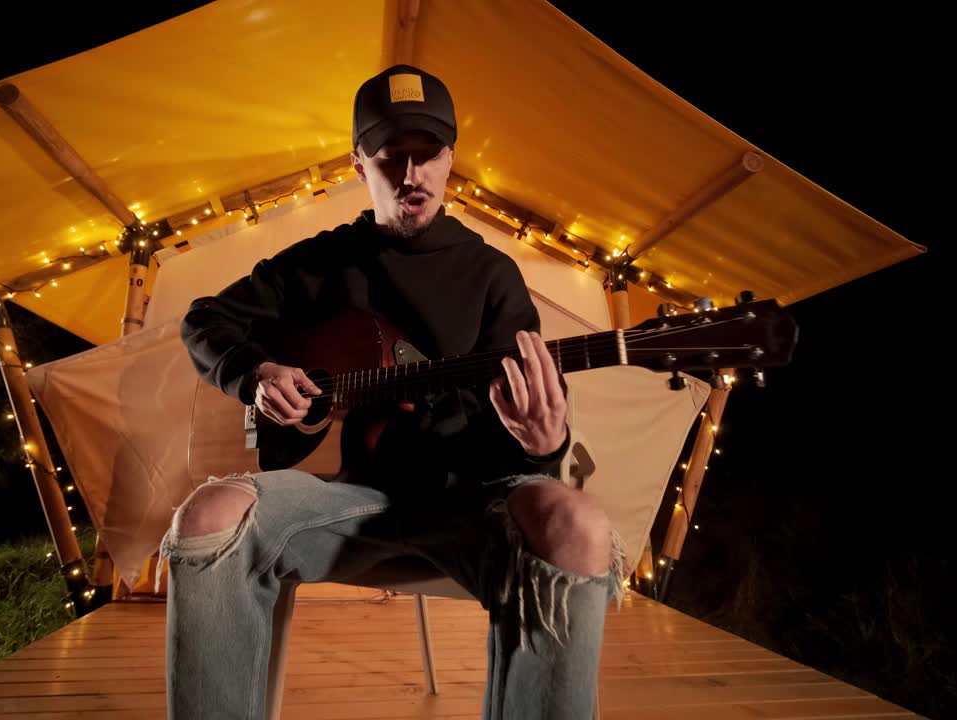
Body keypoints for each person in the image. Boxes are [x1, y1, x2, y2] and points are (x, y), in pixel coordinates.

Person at [160, 64, 626, 719]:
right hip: (342, 499)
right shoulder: (319, 263)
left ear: (450, 158)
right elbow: (204, 320)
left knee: (579, 523)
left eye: (428, 153)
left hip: (469, 502)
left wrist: (544, 444)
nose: (412, 174)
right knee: (207, 516)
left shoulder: (493, 276)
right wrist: (255, 374)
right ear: (359, 163)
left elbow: (520, 461)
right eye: (391, 155)